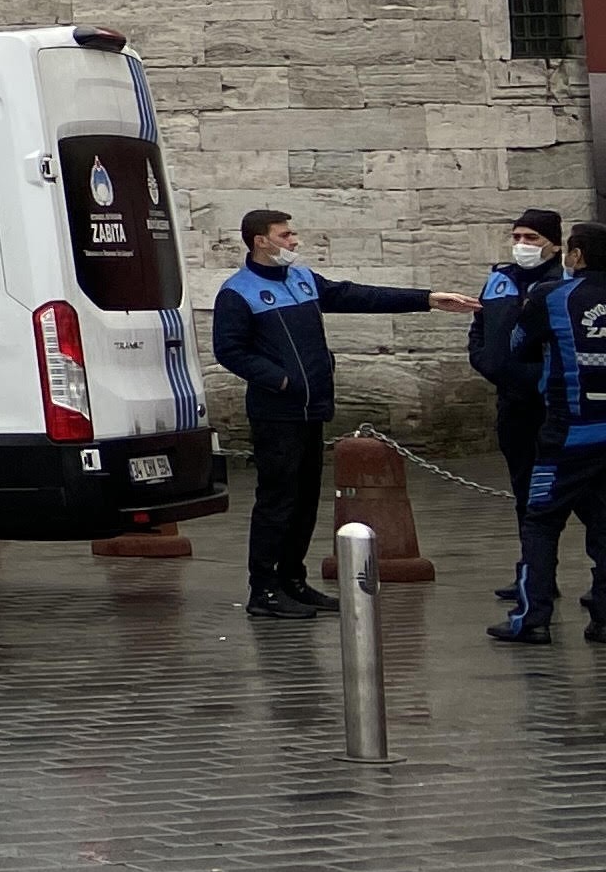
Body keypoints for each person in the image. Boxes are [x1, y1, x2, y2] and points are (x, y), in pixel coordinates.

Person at [210, 208, 475, 621]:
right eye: (286, 234)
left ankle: (293, 580)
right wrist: (281, 381)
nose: (294, 241)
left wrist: (426, 300)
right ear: (261, 240)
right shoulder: (237, 293)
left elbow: (357, 295)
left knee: (305, 501)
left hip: (312, 409)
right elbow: (230, 350)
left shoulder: (303, 280)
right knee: (277, 500)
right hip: (276, 413)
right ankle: (263, 587)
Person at [494, 224, 606, 643]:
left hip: (568, 432)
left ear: (575, 255)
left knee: (541, 521)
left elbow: (518, 344)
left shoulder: (552, 297)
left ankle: (532, 616)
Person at [473, 209, 567, 528]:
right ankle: (531, 571)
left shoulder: (565, 282)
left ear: (554, 244)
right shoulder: (501, 279)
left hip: (558, 403)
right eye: (516, 237)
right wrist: (485, 359)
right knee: (525, 491)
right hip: (513, 402)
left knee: (576, 491)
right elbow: (480, 326)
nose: (522, 244)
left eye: (531, 238)